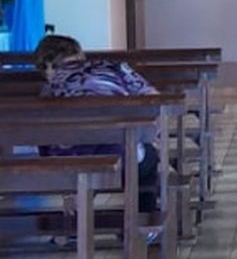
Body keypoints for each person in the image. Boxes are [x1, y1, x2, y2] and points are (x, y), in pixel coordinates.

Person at [33, 35, 161, 243]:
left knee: (85, 161)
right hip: (123, 158)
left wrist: (65, 188)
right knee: (148, 156)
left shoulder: (49, 89)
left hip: (72, 165)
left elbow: (44, 138)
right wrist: (152, 134)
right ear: (79, 55)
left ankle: (75, 224)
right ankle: (143, 222)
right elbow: (152, 98)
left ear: (47, 66)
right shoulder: (114, 67)